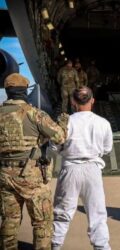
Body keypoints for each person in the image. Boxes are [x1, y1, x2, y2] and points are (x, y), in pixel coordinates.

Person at [0, 73, 67, 249]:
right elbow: (60, 137)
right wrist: (64, 123)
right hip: (31, 176)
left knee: (9, 220)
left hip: (4, 175)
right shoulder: (34, 114)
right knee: (42, 221)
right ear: (24, 92)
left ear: (7, 91)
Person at [51, 86, 113, 250]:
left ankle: (55, 246)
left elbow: (54, 147)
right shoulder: (103, 123)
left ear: (72, 102)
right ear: (92, 100)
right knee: (97, 215)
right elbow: (107, 149)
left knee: (62, 214)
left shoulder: (66, 123)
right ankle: (101, 247)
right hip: (93, 169)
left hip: (70, 169)